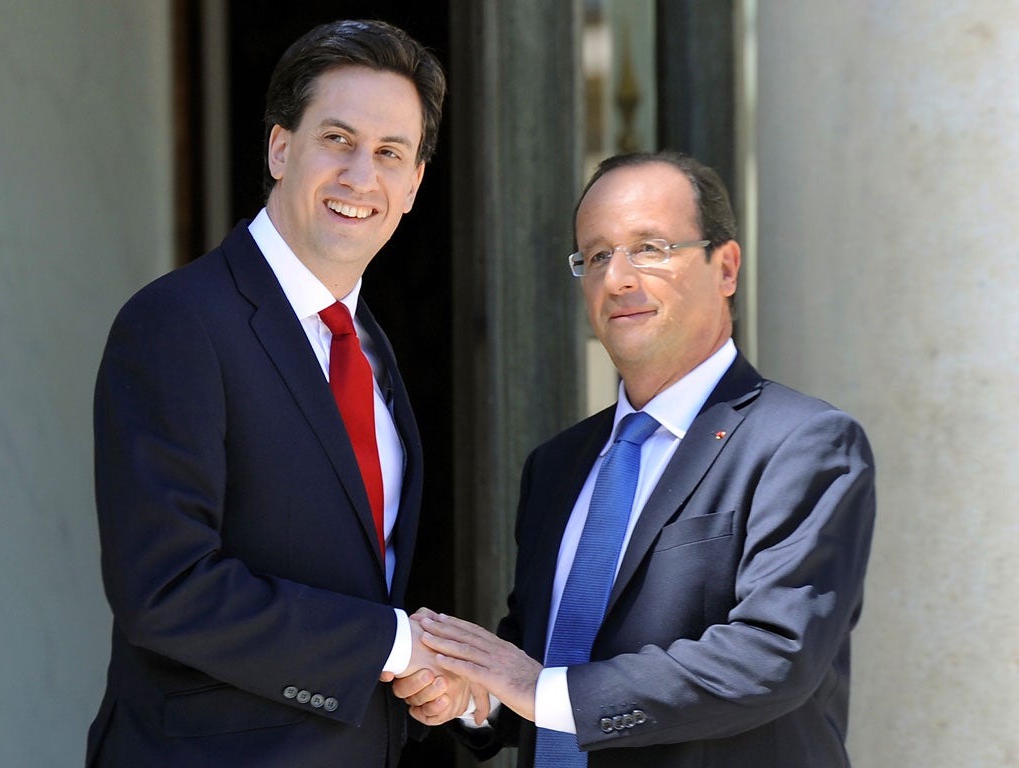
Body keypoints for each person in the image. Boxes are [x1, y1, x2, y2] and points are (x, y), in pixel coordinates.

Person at [396, 150, 877, 767]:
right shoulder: (556, 465)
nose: (617, 278)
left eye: (649, 248)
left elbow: (774, 655)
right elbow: (538, 662)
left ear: (725, 267)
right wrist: (474, 693)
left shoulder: (805, 444)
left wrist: (537, 689)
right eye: (596, 256)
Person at [86, 19, 462, 768]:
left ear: (414, 185)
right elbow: (167, 590)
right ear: (280, 148)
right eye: (337, 139)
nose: (362, 175)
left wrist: (427, 679)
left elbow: (355, 580)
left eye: (391, 153)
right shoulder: (178, 323)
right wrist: (394, 645)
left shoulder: (372, 348)